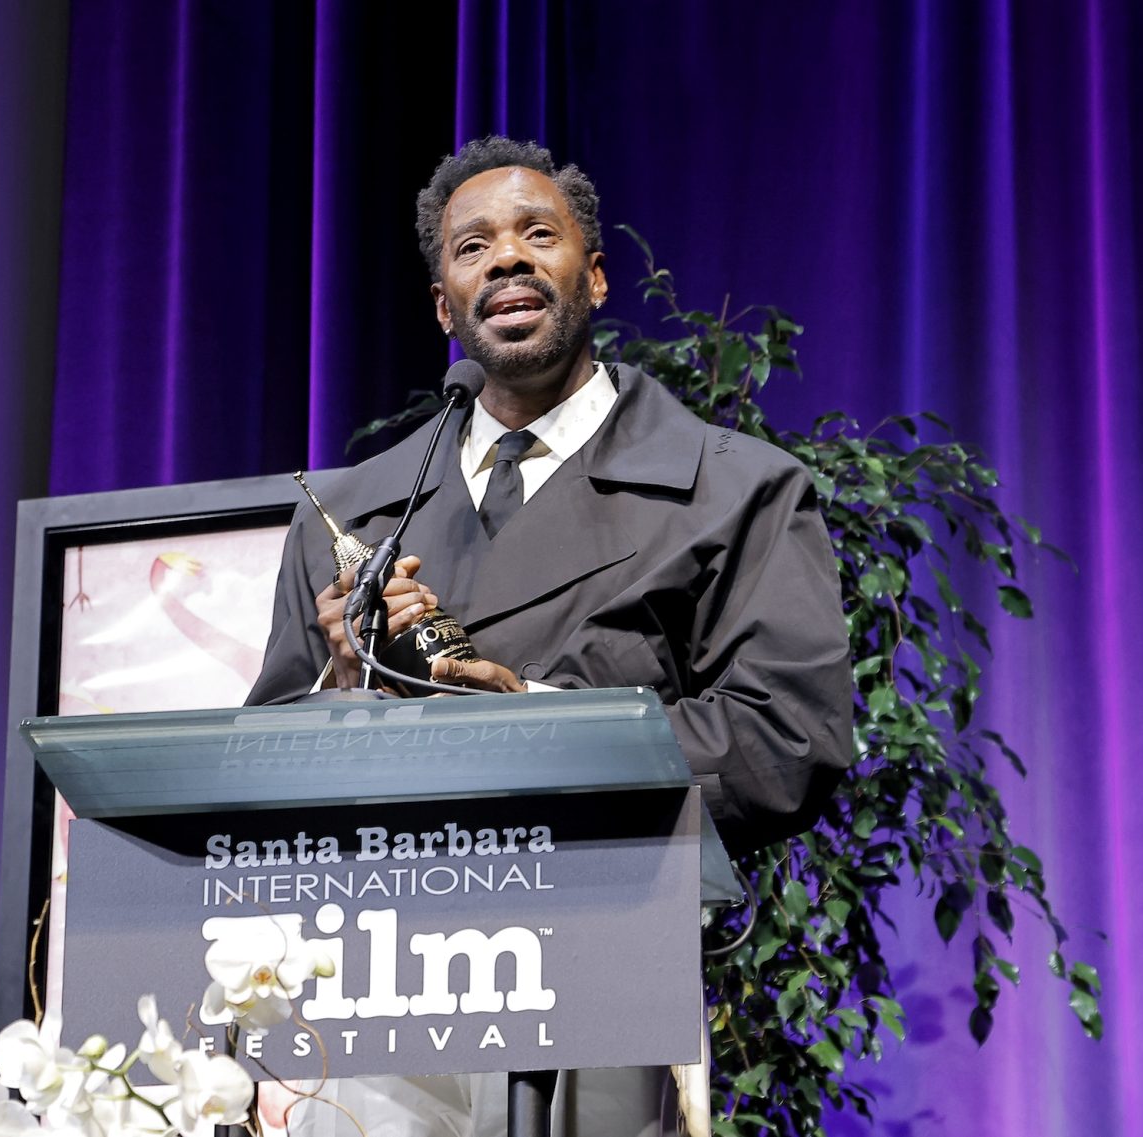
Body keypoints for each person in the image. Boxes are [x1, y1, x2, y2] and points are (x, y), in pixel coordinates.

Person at [247, 136, 851, 1136]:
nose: (509, 259)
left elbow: (791, 737)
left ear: (596, 277)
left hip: (597, 964)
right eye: (473, 248)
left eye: (539, 235)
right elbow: (263, 768)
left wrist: (540, 723)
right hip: (371, 991)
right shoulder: (351, 515)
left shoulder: (736, 488)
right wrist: (341, 689)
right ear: (446, 306)